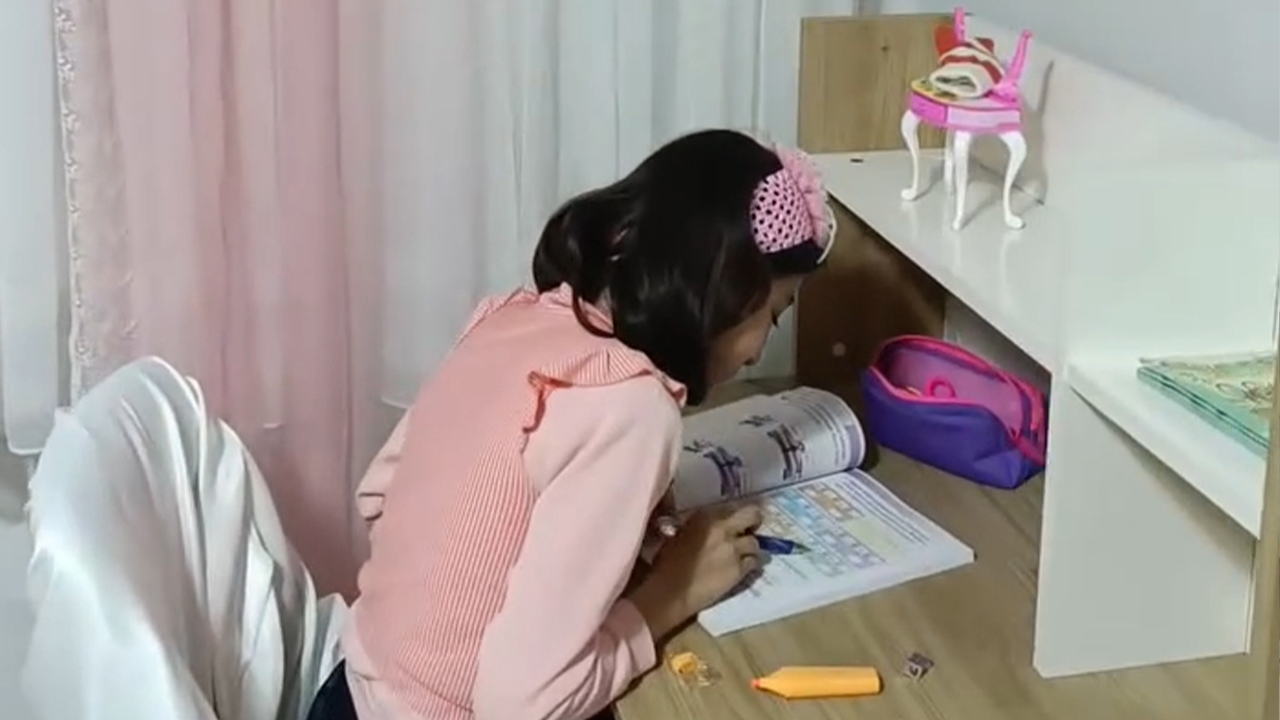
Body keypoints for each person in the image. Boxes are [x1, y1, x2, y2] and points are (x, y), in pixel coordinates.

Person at [313, 129, 835, 720]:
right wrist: (673, 593)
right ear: (725, 291)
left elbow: (379, 496)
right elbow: (523, 706)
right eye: (774, 314)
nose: (761, 350)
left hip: (349, 690)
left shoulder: (512, 319)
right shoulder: (632, 408)